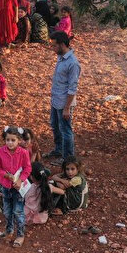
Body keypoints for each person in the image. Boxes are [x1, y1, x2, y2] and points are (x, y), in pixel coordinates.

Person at [0, 126, 31, 247]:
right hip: (5, 186)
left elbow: (27, 168)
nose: (10, 142)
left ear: (19, 140)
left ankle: (20, 235)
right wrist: (5, 175)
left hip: (18, 188)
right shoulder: (0, 151)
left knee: (18, 211)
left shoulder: (23, 153)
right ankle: (9, 230)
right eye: (7, 140)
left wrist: (20, 180)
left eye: (13, 140)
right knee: (7, 211)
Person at [47, 31, 80, 165]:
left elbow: (73, 88)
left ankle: (67, 159)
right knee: (55, 126)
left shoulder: (73, 63)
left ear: (61, 45)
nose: (53, 48)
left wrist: (67, 108)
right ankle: (58, 150)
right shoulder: (61, 57)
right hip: (56, 100)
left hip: (64, 103)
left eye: (54, 46)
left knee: (66, 130)